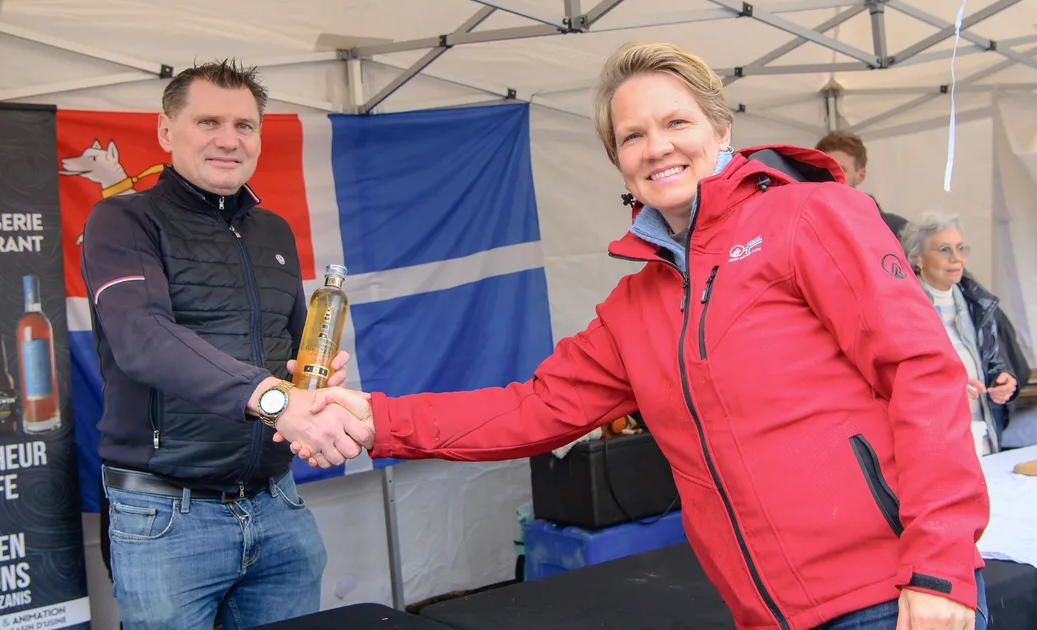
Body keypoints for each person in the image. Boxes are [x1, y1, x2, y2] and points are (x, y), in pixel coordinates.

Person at [292, 42, 991, 630]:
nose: (656, 147)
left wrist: (940, 568)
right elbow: (534, 408)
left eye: (675, 122)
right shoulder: (638, 304)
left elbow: (923, 375)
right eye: (631, 136)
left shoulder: (811, 215)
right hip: (768, 614)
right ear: (618, 158)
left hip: (889, 597)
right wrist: (378, 419)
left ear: (720, 129)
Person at [80, 59, 367, 630]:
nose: (228, 141)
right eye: (208, 122)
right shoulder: (121, 220)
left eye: (244, 126)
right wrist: (276, 401)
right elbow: (142, 338)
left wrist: (309, 387)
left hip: (276, 502)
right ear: (166, 131)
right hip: (165, 516)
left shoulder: (273, 230)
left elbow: (288, 347)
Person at [901, 210, 1019, 455]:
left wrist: (1002, 379)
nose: (957, 258)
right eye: (944, 250)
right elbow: (901, 379)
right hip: (935, 446)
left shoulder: (979, 305)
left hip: (981, 437)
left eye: (961, 248)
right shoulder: (904, 308)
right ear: (917, 257)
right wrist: (949, 392)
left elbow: (992, 363)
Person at [814, 131, 908, 238]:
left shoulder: (895, 229)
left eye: (840, 169)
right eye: (825, 169)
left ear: (861, 176)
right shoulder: (802, 225)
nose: (830, 175)